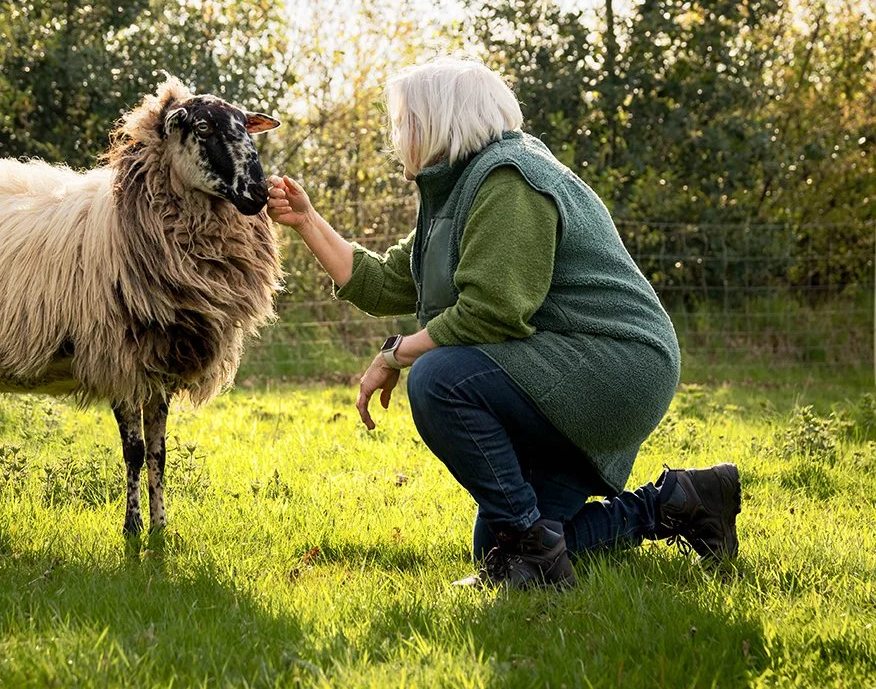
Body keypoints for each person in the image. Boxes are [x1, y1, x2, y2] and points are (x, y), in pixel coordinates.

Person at [268, 56, 740, 589]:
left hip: (613, 364)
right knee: (495, 555)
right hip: (561, 366)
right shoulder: (455, 191)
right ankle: (680, 503)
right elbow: (385, 283)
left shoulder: (509, 178)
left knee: (439, 378)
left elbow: (491, 312)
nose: (396, 134)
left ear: (440, 121)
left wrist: (393, 355)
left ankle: (532, 549)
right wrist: (306, 220)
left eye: (405, 121)